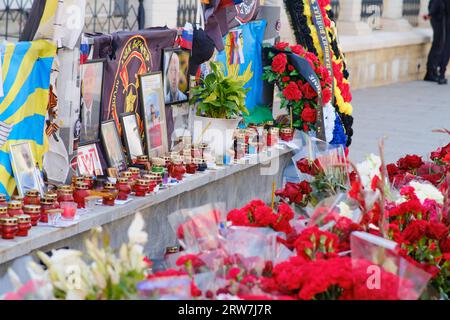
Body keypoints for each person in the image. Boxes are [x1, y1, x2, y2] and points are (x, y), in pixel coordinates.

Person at [424, 0, 450, 84]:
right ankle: (431, 72)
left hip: (443, 17)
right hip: (439, 17)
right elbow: (436, 2)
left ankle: (434, 71)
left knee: (441, 46)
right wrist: (431, 14)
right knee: (438, 45)